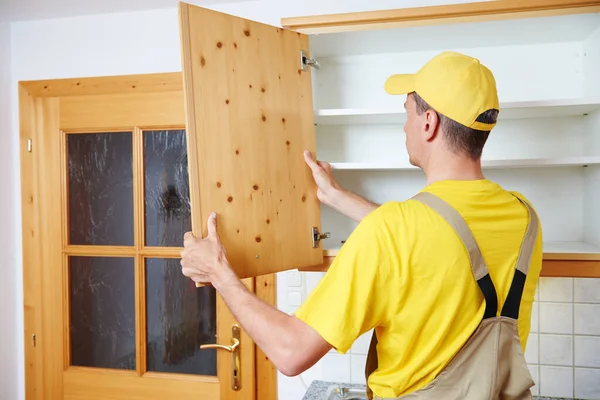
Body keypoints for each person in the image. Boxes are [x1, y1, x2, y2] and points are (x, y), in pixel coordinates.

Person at [180, 51, 543, 399]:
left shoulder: (392, 232)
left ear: (429, 123)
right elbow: (430, 237)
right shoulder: (525, 217)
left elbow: (290, 352)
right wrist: (337, 196)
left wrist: (218, 271)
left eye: (408, 113)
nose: (405, 126)